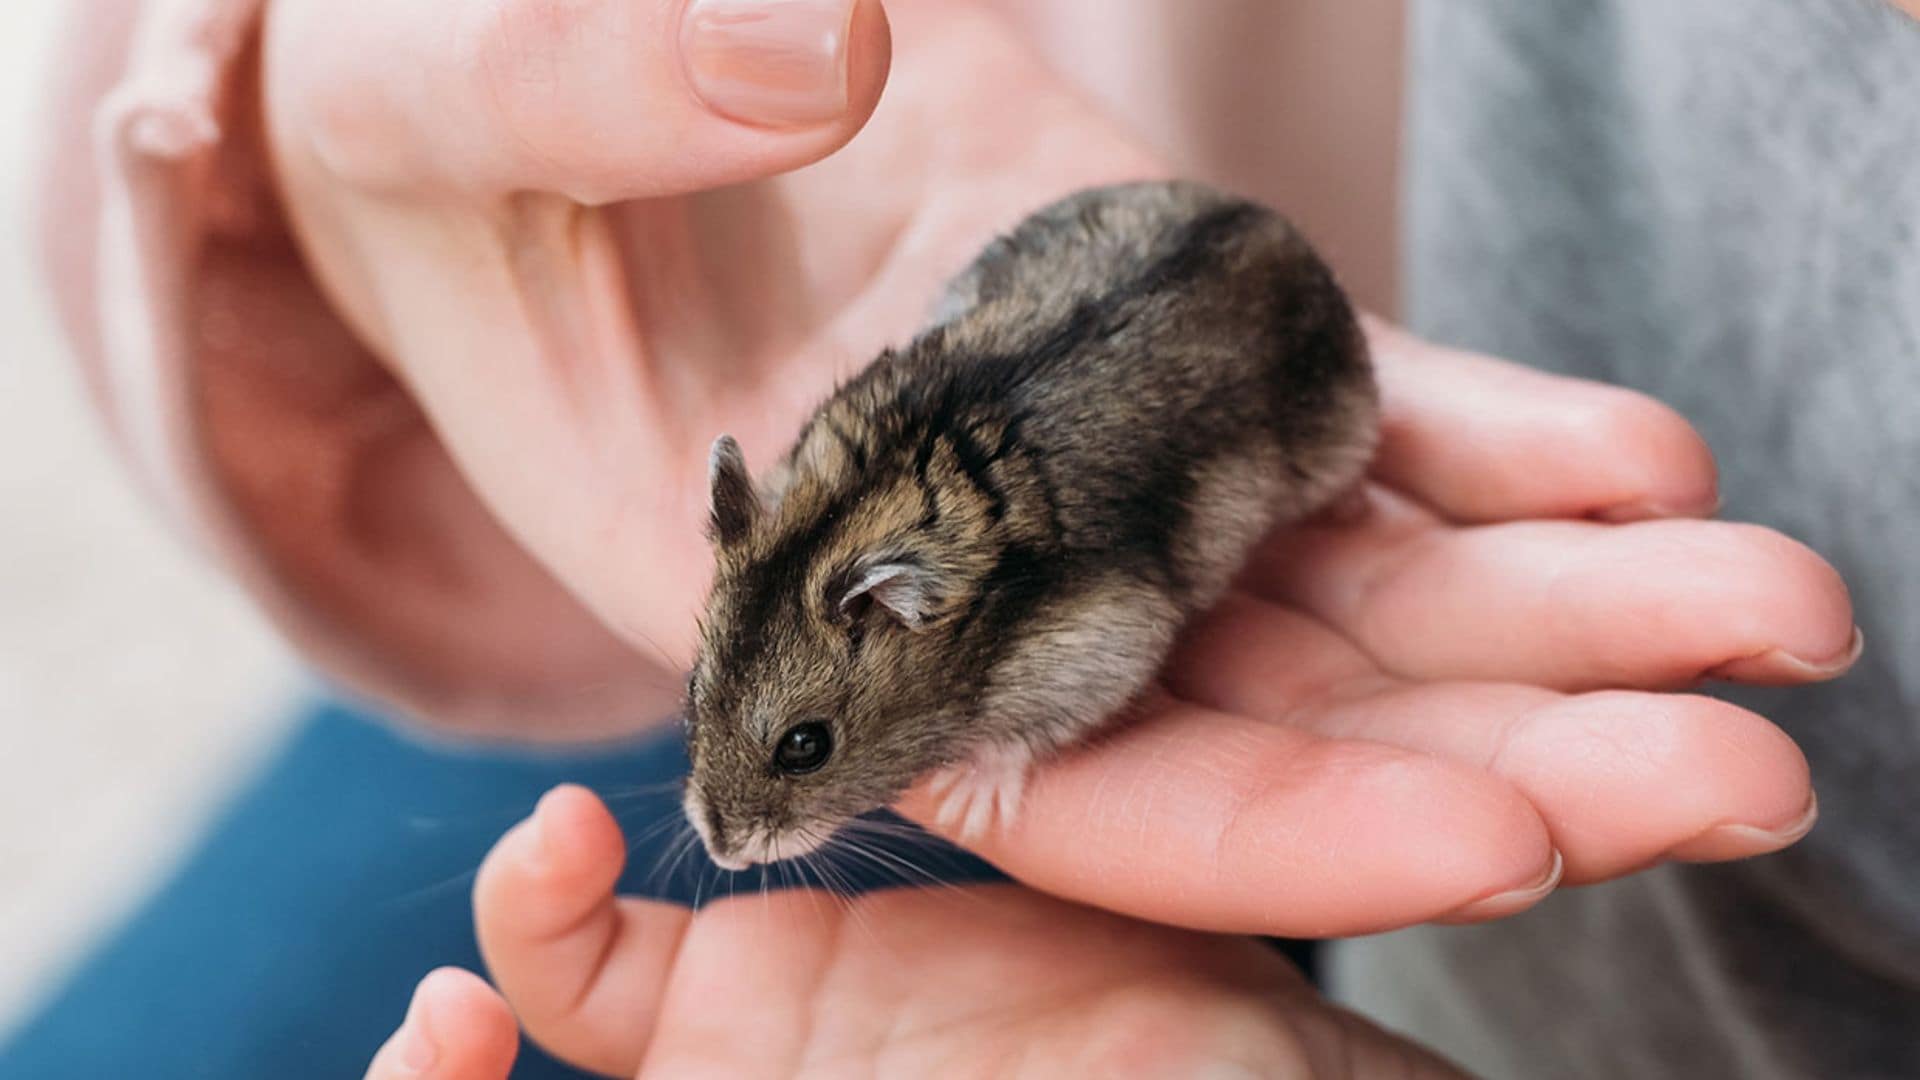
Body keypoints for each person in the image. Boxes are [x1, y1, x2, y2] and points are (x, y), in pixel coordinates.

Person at [14, 0, 1903, 1076]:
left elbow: (1120, 629)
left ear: (920, 619)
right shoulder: (818, 591)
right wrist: (286, 84)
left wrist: (994, 755)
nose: (731, 813)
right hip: (611, 509)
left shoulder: (1034, 616)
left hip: (1291, 390)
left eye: (803, 758)